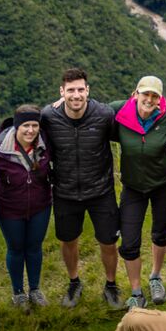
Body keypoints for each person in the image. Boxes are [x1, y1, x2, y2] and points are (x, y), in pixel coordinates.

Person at [40, 68, 123, 309]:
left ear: (87, 90)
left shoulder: (104, 114)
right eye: (70, 90)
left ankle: (111, 285)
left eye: (80, 90)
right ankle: (74, 281)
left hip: (101, 191)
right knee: (68, 240)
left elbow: (123, 133)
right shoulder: (49, 116)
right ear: (61, 92)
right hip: (65, 191)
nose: (75, 95)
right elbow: (25, 126)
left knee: (108, 241)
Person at [116, 76, 166, 308]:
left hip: (163, 183)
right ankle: (136, 292)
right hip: (133, 186)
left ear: (160, 99)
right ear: (135, 94)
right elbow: (91, 109)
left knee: (160, 232)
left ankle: (155, 277)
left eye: (155, 96)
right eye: (146, 94)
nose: (149, 100)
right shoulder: (118, 112)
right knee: (129, 241)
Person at [0, 104, 52, 309]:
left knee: (34, 248)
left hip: (40, 205)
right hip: (9, 207)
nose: (30, 130)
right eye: (25, 125)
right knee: (16, 249)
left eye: (35, 125)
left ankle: (34, 289)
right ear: (16, 126)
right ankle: (18, 292)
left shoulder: (45, 144)